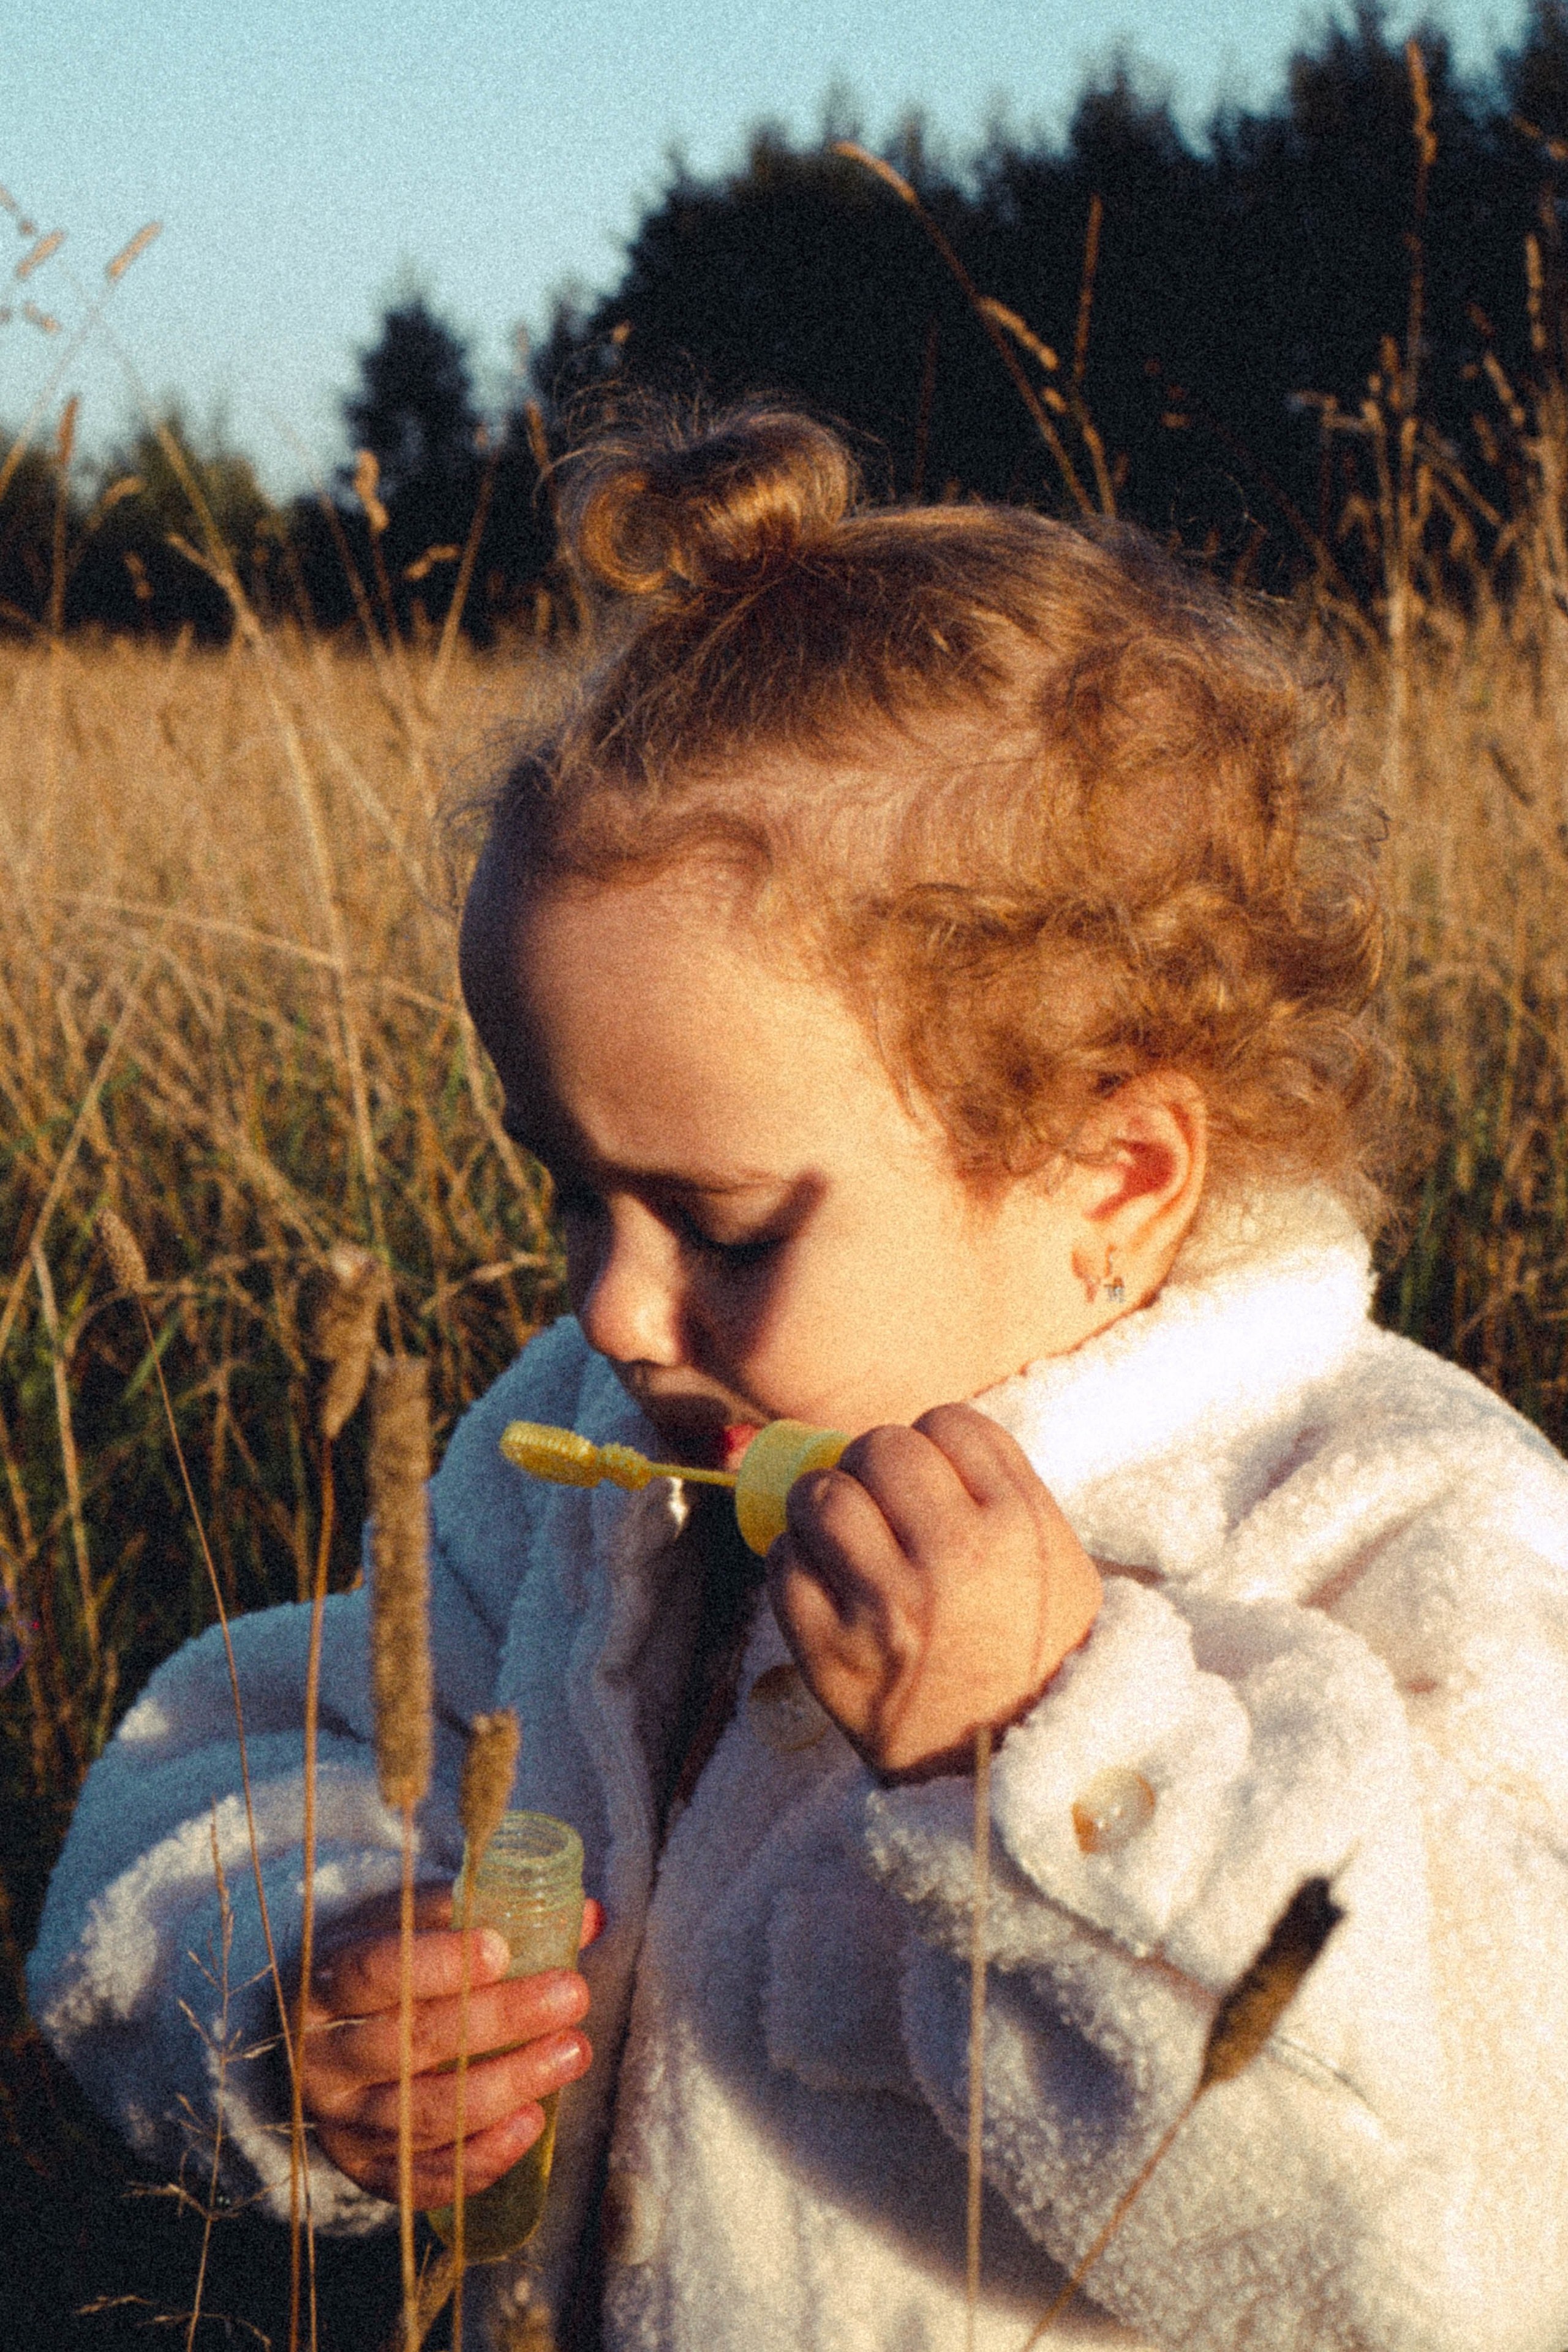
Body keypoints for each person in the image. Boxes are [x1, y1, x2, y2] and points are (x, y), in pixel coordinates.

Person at [29, 404, 1568, 2352]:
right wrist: (298, 1983)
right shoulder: (578, 1452)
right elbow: (241, 1753)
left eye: (727, 1223)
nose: (615, 1309)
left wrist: (1065, 1759)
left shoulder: (1384, 1515)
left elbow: (1494, 2233)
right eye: (573, 1194)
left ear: (1117, 1177)